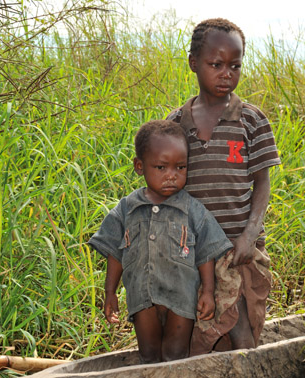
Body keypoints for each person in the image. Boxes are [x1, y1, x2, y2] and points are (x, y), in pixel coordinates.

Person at [167, 18, 281, 355]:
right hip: (194, 253)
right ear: (193, 64)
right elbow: (168, 187)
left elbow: (262, 183)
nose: (226, 73)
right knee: (196, 336)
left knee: (242, 332)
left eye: (235, 65)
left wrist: (250, 234)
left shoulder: (251, 120)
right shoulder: (175, 125)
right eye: (216, 65)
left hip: (236, 250)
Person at [88, 120, 232, 364]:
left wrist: (207, 291)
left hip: (181, 296)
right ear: (139, 166)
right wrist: (110, 292)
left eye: (180, 168)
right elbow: (115, 253)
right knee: (150, 354)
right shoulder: (126, 209)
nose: (171, 176)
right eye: (161, 167)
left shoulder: (192, 210)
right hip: (142, 296)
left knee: (175, 354)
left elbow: (205, 253)